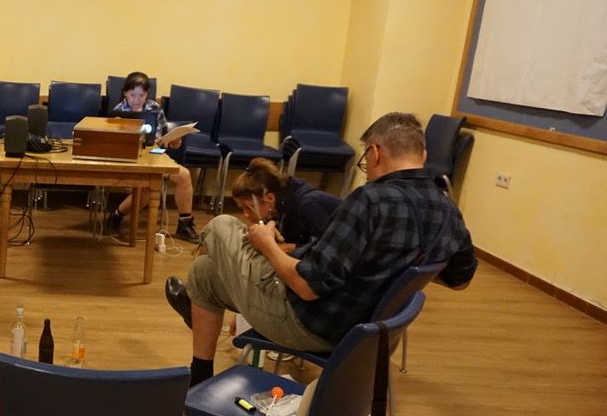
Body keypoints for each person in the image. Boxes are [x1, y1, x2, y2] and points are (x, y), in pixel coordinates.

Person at [165, 112, 477, 386]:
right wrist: (400, 266)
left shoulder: (369, 200)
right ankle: (201, 374)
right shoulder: (447, 209)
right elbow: (460, 280)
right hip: (368, 330)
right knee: (204, 272)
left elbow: (306, 287)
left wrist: (267, 245)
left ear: (375, 152)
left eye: (365, 161)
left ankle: (194, 298)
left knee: (221, 224)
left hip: (311, 326)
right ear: (422, 154)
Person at [107, 72, 199, 243]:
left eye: (141, 95)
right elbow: (114, 142)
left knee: (184, 176)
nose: (137, 99)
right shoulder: (118, 112)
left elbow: (163, 134)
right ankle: (116, 217)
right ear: (125, 93)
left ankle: (185, 225)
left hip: (155, 155)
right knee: (145, 189)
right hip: (131, 158)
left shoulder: (155, 108)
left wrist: (173, 141)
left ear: (147, 94)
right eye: (132, 95)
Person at [229, 157, 341, 252]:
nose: (245, 215)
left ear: (270, 198)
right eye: (242, 208)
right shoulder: (280, 203)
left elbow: (328, 249)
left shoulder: (309, 206)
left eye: (249, 207)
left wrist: (286, 248)